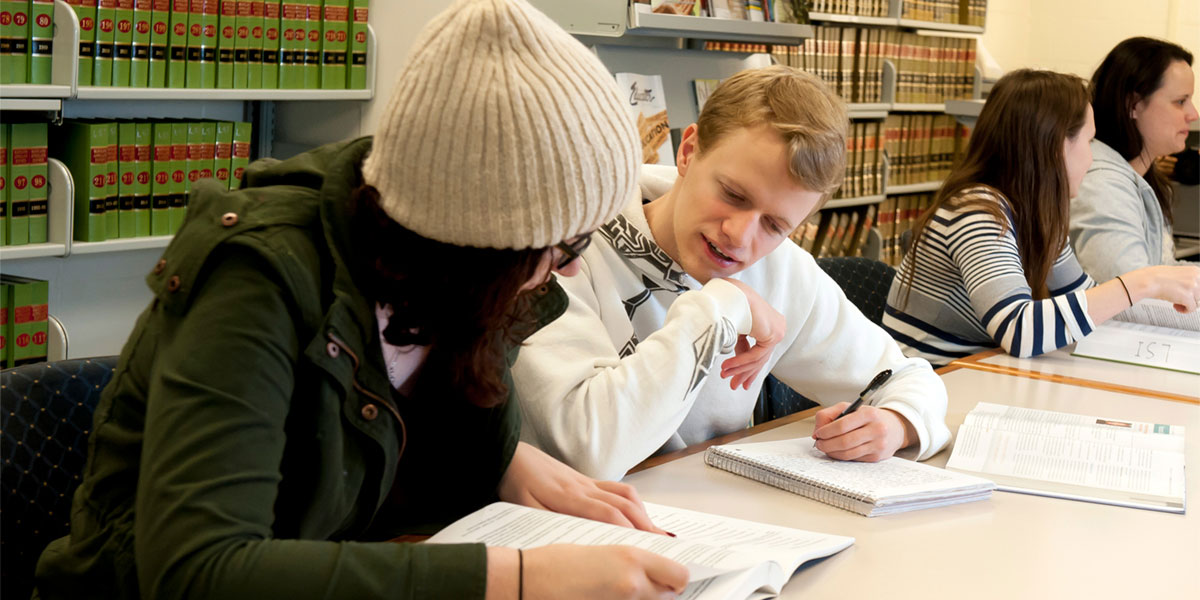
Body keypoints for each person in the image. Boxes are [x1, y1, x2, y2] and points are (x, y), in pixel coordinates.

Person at [33, 1, 690, 598]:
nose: (570, 275)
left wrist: (508, 462)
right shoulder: (258, 278)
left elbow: (408, 442)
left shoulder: (449, 276)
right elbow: (201, 570)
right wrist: (520, 578)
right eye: (566, 247)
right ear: (483, 245)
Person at [511, 66, 952, 481]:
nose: (740, 237)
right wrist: (724, 305)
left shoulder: (782, 269)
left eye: (775, 225)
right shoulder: (564, 247)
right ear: (688, 152)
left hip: (710, 515)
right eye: (733, 194)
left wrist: (897, 424)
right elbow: (590, 450)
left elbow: (906, 378)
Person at [883, 69, 1200, 367]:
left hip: (982, 374)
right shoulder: (977, 211)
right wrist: (1143, 282)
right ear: (1055, 146)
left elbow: (1083, 299)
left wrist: (1155, 295)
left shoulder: (1035, 213)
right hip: (932, 388)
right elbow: (1019, 330)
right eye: (1088, 142)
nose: (1092, 159)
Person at [1071, 37, 1199, 282]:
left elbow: (1161, 268)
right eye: (1180, 101)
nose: (1193, 114)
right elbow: (1131, 291)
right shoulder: (1102, 185)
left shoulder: (1138, 177)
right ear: (1133, 104)